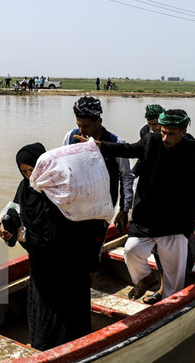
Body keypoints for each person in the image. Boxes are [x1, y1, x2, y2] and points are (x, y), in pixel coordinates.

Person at [81, 109, 195, 300]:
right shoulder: (152, 140)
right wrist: (99, 146)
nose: (165, 137)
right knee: (132, 250)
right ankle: (146, 278)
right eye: (163, 131)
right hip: (148, 217)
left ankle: (168, 303)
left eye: (170, 134)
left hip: (176, 220)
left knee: (173, 273)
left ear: (183, 132)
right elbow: (128, 149)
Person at [0, 143, 91, 350]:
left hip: (67, 261)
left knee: (67, 308)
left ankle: (72, 346)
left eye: (32, 170)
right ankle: (43, 345)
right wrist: (5, 228)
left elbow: (75, 225)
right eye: (24, 172)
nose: (30, 176)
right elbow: (15, 213)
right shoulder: (24, 188)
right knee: (42, 307)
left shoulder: (61, 188)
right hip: (40, 263)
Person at [63, 96, 134, 273]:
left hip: (101, 210)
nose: (81, 130)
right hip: (74, 207)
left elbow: (126, 177)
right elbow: (63, 170)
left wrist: (123, 211)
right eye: (79, 124)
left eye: (86, 126)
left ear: (99, 121)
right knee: (71, 252)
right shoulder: (70, 137)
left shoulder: (116, 144)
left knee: (91, 256)